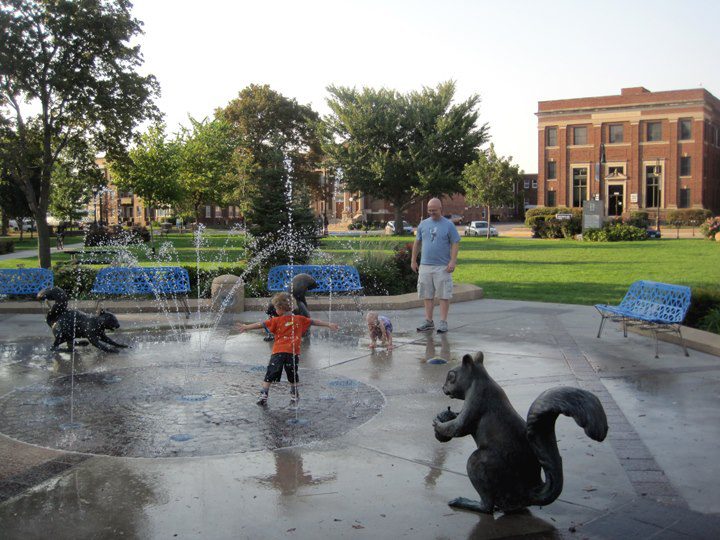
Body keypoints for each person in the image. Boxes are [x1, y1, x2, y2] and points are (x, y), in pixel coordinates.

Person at [238, 292, 339, 406]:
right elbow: (314, 321)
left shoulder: (276, 320)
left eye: (276, 308)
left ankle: (264, 395)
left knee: (270, 374)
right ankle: (294, 394)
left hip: (278, 352)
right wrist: (328, 324)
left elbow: (261, 324)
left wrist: (246, 327)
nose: (275, 311)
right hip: (293, 353)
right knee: (292, 375)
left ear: (280, 309)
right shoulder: (299, 319)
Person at [411, 197, 461, 334]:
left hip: (442, 267)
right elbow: (417, 243)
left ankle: (443, 322)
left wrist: (453, 261)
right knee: (427, 294)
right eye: (429, 210)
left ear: (441, 209)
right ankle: (428, 321)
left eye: (434, 210)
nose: (432, 212)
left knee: (444, 295)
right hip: (425, 266)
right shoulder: (423, 224)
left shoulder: (448, 225)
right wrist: (413, 260)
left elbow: (455, 242)